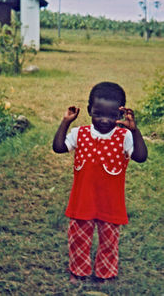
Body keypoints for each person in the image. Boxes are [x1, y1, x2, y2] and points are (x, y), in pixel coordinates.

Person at [52, 82, 148, 284]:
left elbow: (140, 157)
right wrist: (66, 122)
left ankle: (105, 273)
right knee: (78, 239)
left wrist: (135, 130)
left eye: (112, 116)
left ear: (120, 115)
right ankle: (78, 271)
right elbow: (59, 148)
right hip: (82, 200)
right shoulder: (80, 133)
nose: (104, 120)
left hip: (110, 203)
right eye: (98, 114)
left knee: (109, 241)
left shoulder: (124, 136)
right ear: (89, 111)